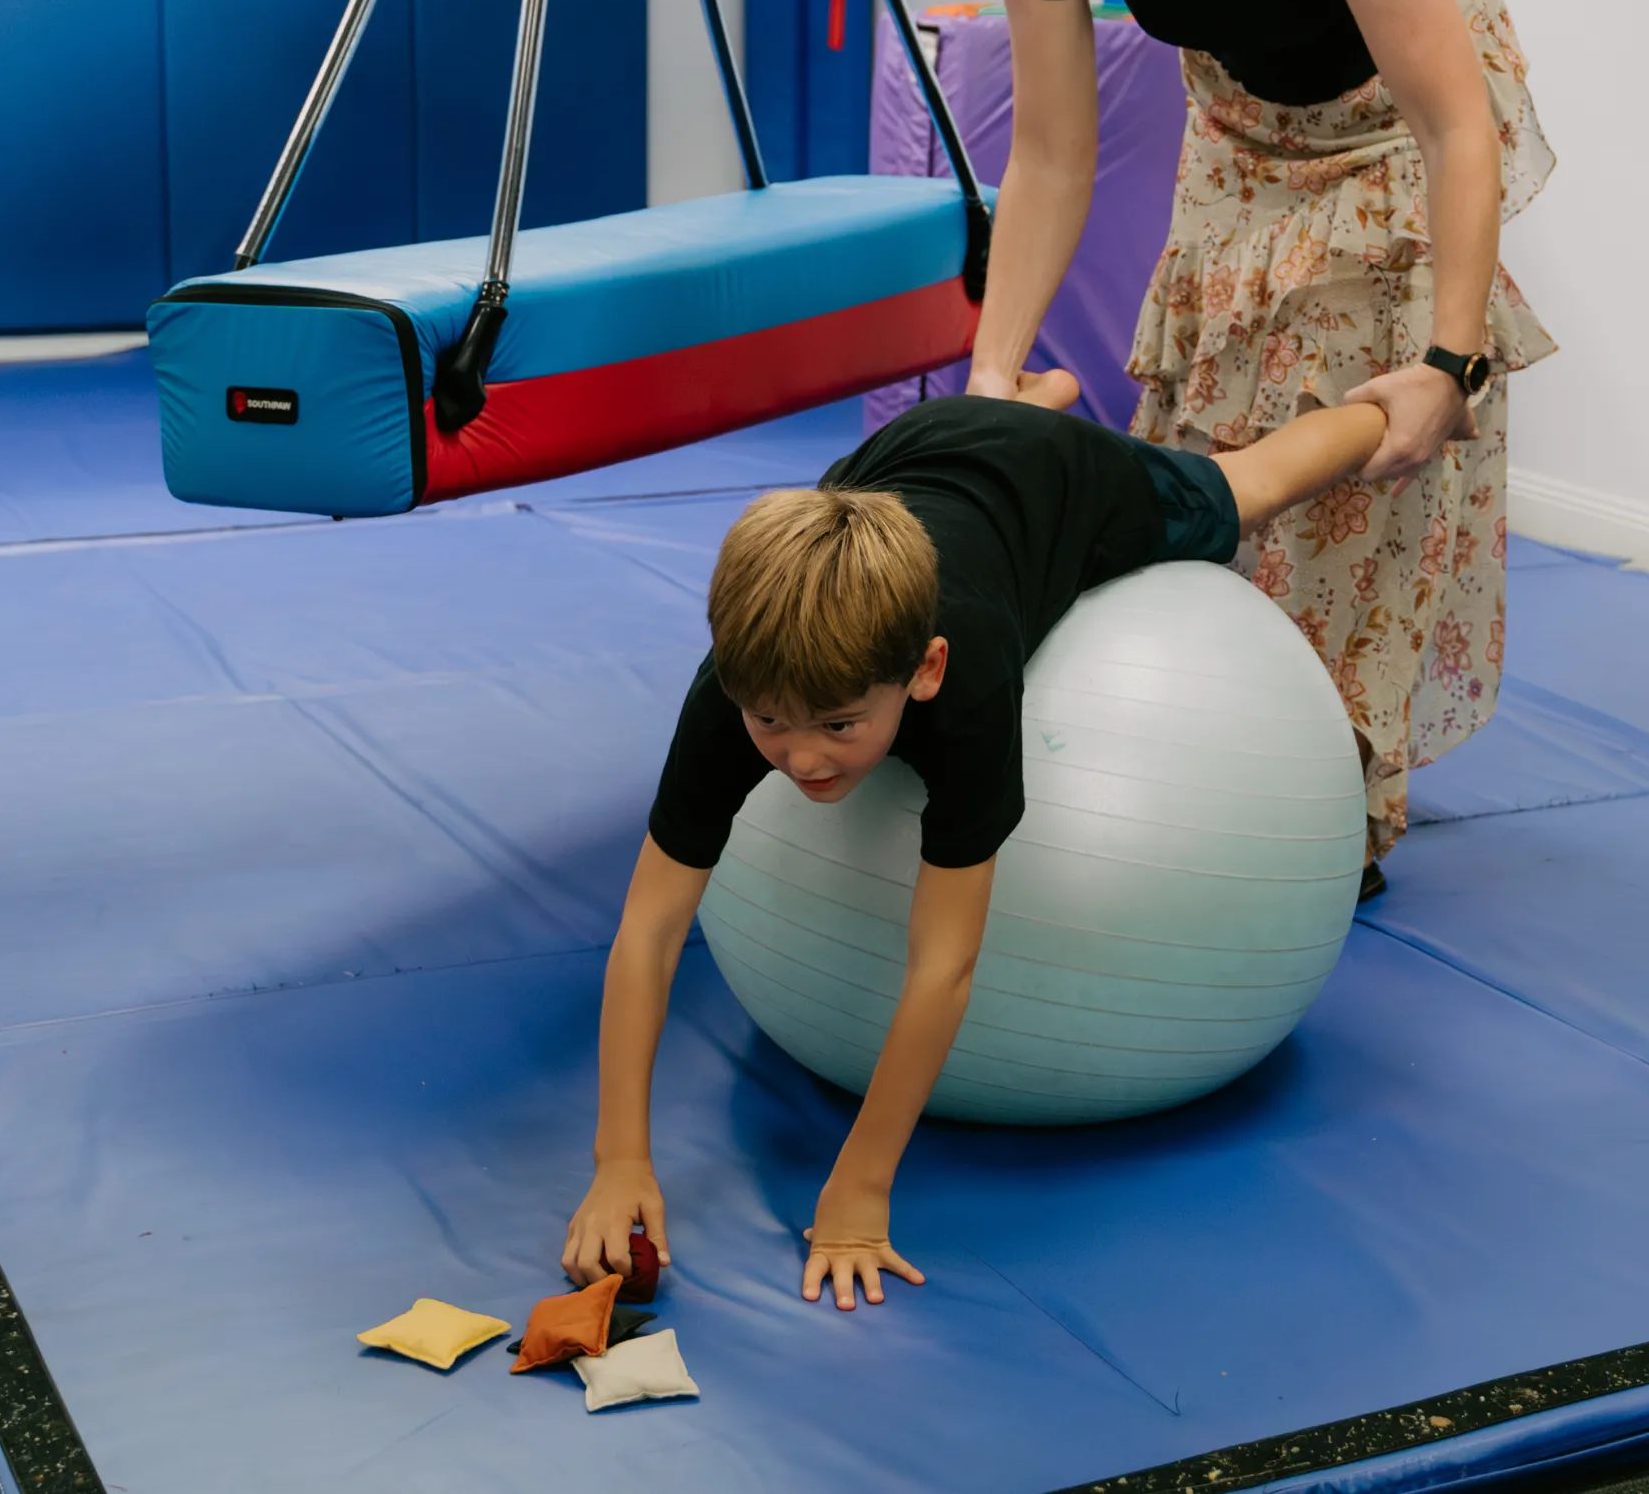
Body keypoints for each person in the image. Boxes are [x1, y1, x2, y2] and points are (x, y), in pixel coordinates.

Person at [560, 380, 1392, 1313]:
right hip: (913, 459)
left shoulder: (969, 693)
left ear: (925, 670)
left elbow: (945, 964)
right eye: (771, 723)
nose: (800, 759)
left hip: (1058, 480)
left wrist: (862, 1187)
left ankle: (1404, 402)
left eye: (839, 725)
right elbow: (649, 928)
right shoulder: (739, 687)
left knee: (1249, 488)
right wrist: (619, 1157)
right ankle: (1028, 391)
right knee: (786, 686)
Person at [978, 0, 1558, 891]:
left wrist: (1450, 367)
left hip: (1398, 109)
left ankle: (1333, 798)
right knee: (1200, 441)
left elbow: (1455, 124)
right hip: (1245, 119)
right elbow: (1053, 154)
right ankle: (1206, 739)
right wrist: (993, 370)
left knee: (1354, 453)